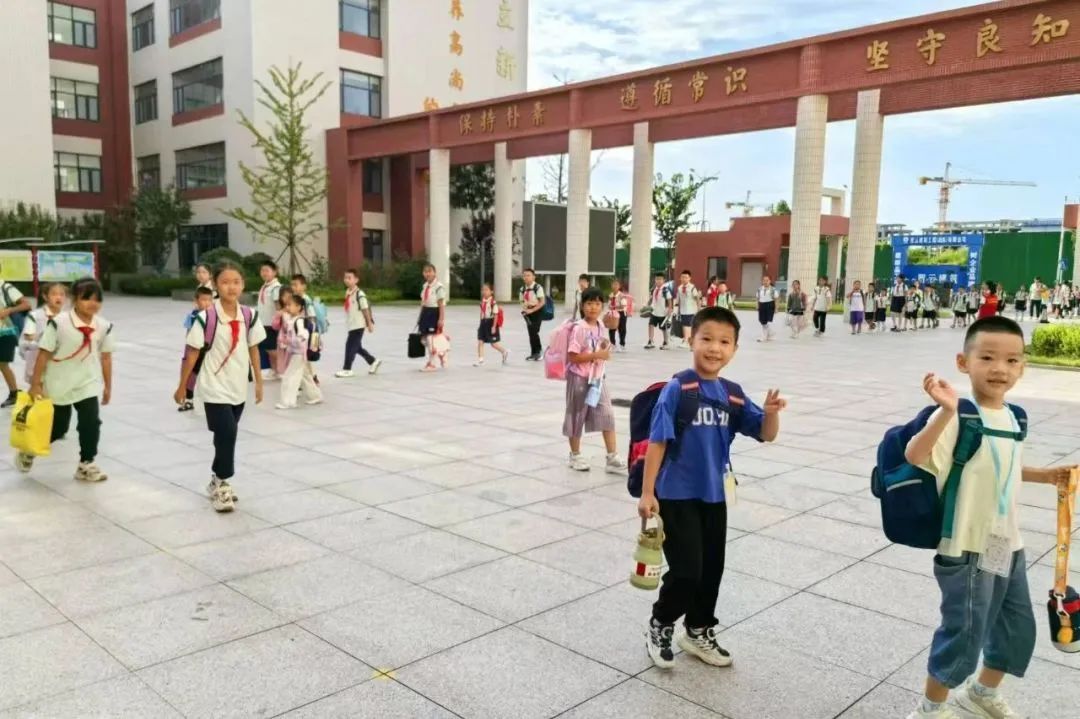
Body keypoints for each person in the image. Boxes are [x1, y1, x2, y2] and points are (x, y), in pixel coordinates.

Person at [902, 316, 1075, 719]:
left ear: (1022, 367)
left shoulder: (1014, 416)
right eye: (988, 358)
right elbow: (915, 455)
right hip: (966, 547)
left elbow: (1001, 466)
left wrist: (1045, 475)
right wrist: (945, 411)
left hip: (1008, 545)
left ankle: (982, 692)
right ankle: (930, 709)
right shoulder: (956, 416)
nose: (1000, 368)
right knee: (963, 632)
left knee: (1016, 628)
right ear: (963, 362)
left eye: (1012, 360)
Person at [638, 306, 785, 670]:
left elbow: (766, 434)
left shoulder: (732, 394)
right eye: (706, 339)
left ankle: (698, 629)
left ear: (734, 349)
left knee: (711, 569)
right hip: (675, 494)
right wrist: (647, 493)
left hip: (714, 495)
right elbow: (657, 442)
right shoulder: (678, 389)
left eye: (724, 342)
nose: (714, 348)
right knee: (686, 570)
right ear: (691, 340)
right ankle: (660, 623)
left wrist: (771, 413)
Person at [175, 262, 265, 513]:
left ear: (243, 284)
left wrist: (259, 382)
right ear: (215, 285)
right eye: (225, 282)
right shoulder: (206, 318)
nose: (231, 287)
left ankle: (215, 479)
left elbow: (254, 349)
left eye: (236, 282)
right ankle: (223, 483)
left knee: (223, 435)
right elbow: (192, 353)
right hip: (213, 386)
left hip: (237, 386)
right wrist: (182, 387)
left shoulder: (249, 316)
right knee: (228, 431)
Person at [18, 277, 114, 481]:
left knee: (91, 422)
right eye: (86, 298)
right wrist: (35, 384)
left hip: (87, 382)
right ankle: (29, 450)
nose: (93, 303)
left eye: (97, 299)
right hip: (58, 382)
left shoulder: (104, 326)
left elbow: (106, 357)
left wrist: (108, 386)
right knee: (59, 427)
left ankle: (86, 463)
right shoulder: (59, 323)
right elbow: (43, 353)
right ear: (74, 299)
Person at [564, 287, 626, 474]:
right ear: (582, 306)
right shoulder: (579, 328)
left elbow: (601, 344)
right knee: (576, 415)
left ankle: (612, 457)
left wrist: (606, 346)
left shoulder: (600, 324)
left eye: (597, 304)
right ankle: (575, 455)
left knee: (607, 414)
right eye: (589, 303)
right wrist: (596, 355)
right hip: (579, 377)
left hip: (598, 378)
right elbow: (573, 357)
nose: (593, 307)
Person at [275, 292, 322, 409]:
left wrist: (289, 341)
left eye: (290, 305)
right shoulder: (294, 320)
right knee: (305, 376)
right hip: (298, 353)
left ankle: (287, 401)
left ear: (298, 307)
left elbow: (303, 336)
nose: (288, 307)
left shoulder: (299, 321)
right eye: (287, 305)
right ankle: (315, 396)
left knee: (290, 377)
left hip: (298, 353)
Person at [19, 282, 66, 388]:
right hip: (37, 361)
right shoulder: (35, 315)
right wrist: (46, 337)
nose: (58, 297)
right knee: (39, 390)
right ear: (45, 296)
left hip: (59, 364)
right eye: (54, 294)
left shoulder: (67, 316)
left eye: (62, 294)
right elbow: (28, 336)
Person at [336, 268, 381, 378]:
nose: (346, 280)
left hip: (358, 325)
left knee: (350, 346)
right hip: (352, 324)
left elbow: (365, 309)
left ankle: (347, 369)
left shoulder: (360, 294)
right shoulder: (348, 292)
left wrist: (369, 324)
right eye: (345, 277)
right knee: (356, 347)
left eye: (349, 278)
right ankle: (373, 361)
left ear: (356, 280)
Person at [178, 287, 215, 412]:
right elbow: (188, 333)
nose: (207, 303)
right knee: (191, 373)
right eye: (204, 300)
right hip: (194, 349)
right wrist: (188, 351)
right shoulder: (193, 315)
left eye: (209, 300)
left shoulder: (213, 316)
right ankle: (189, 400)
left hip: (208, 350)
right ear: (196, 301)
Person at [0, 269, 31, 408]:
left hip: (5, 332)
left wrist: (8, 310)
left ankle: (14, 394)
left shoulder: (5, 287)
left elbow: (26, 304)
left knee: (2, 364)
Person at [419, 263, 448, 371]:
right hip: (425, 312)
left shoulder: (438, 287)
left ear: (434, 273)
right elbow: (423, 301)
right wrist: (420, 315)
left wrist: (441, 319)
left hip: (434, 312)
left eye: (430, 271)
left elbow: (441, 304)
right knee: (423, 339)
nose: (427, 274)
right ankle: (441, 353)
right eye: (425, 271)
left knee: (430, 338)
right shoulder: (425, 286)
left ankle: (432, 363)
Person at [256, 260, 282, 380]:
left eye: (267, 270)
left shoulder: (276, 288)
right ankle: (274, 370)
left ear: (274, 272)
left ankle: (280, 370)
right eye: (262, 270)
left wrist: (279, 321)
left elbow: (278, 306)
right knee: (268, 348)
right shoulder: (265, 286)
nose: (264, 273)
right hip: (263, 322)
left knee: (273, 349)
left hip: (272, 324)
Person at [475, 283, 509, 367]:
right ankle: (481, 360)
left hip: (491, 323)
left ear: (491, 292)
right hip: (483, 323)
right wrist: (480, 324)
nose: (484, 291)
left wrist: (493, 326)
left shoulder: (493, 303)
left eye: (486, 290)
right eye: (483, 290)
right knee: (480, 342)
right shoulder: (483, 301)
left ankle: (504, 352)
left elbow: (496, 315)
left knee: (493, 344)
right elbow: (482, 313)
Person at [520, 268, 546, 361]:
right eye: (524, 275)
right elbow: (522, 301)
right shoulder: (522, 289)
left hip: (537, 311)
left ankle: (538, 352)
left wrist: (532, 310)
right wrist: (525, 310)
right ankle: (533, 353)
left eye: (528, 275)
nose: (526, 277)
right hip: (528, 312)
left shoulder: (538, 287)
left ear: (533, 277)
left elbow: (542, 302)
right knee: (531, 333)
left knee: (534, 331)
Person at [644, 273, 673, 350]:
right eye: (657, 279)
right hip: (654, 311)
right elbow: (652, 298)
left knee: (663, 328)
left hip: (663, 312)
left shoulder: (665, 290)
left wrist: (669, 310)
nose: (658, 281)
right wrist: (647, 305)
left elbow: (669, 300)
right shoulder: (654, 289)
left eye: (660, 279)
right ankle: (650, 341)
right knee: (650, 325)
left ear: (664, 280)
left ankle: (665, 342)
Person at [675, 270, 701, 347]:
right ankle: (686, 340)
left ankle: (687, 341)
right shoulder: (679, 288)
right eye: (682, 277)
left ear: (689, 278)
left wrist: (699, 309)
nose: (684, 279)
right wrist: (677, 311)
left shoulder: (692, 287)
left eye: (686, 277)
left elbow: (697, 298)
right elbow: (679, 300)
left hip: (691, 310)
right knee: (684, 325)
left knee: (688, 326)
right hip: (683, 310)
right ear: (680, 278)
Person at [607, 278, 630, 352]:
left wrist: (614, 307)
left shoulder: (622, 295)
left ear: (619, 286)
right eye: (613, 284)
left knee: (622, 329)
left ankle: (622, 344)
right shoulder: (610, 295)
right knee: (612, 329)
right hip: (613, 313)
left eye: (616, 284)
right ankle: (613, 344)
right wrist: (610, 307)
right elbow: (609, 305)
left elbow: (623, 306)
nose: (615, 286)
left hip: (621, 313)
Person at [755, 276, 778, 342]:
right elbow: (757, 298)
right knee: (762, 321)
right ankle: (771, 334)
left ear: (770, 281)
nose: (765, 282)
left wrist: (776, 308)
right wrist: (757, 305)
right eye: (764, 280)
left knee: (767, 321)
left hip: (770, 305)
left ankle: (764, 337)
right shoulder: (760, 289)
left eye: (767, 280)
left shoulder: (773, 289)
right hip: (762, 305)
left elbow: (776, 299)